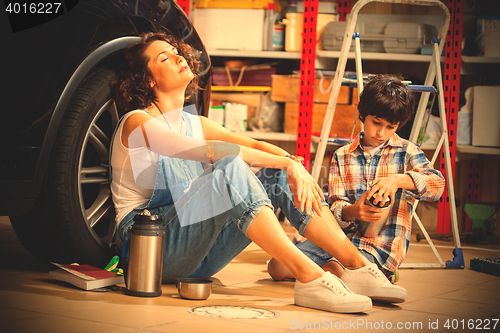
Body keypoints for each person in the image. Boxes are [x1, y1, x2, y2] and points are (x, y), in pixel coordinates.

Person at [110, 32, 404, 313]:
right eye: (164, 58)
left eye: (176, 52)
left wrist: (293, 165)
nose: (178, 58)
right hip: (150, 253)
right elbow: (208, 152)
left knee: (272, 173)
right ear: (147, 80)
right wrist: (288, 164)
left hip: (198, 258)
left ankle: (356, 266)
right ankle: (310, 277)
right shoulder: (137, 123)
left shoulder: (194, 122)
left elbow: (257, 145)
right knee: (228, 165)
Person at [268, 74, 445, 301]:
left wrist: (397, 180)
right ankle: (343, 273)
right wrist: (354, 211)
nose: (381, 132)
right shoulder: (342, 156)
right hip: (338, 242)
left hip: (379, 247)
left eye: (390, 127)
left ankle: (372, 273)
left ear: (399, 125)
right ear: (363, 114)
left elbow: (437, 184)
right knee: (276, 267)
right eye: (376, 122)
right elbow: (335, 207)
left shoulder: (407, 152)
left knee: (334, 271)